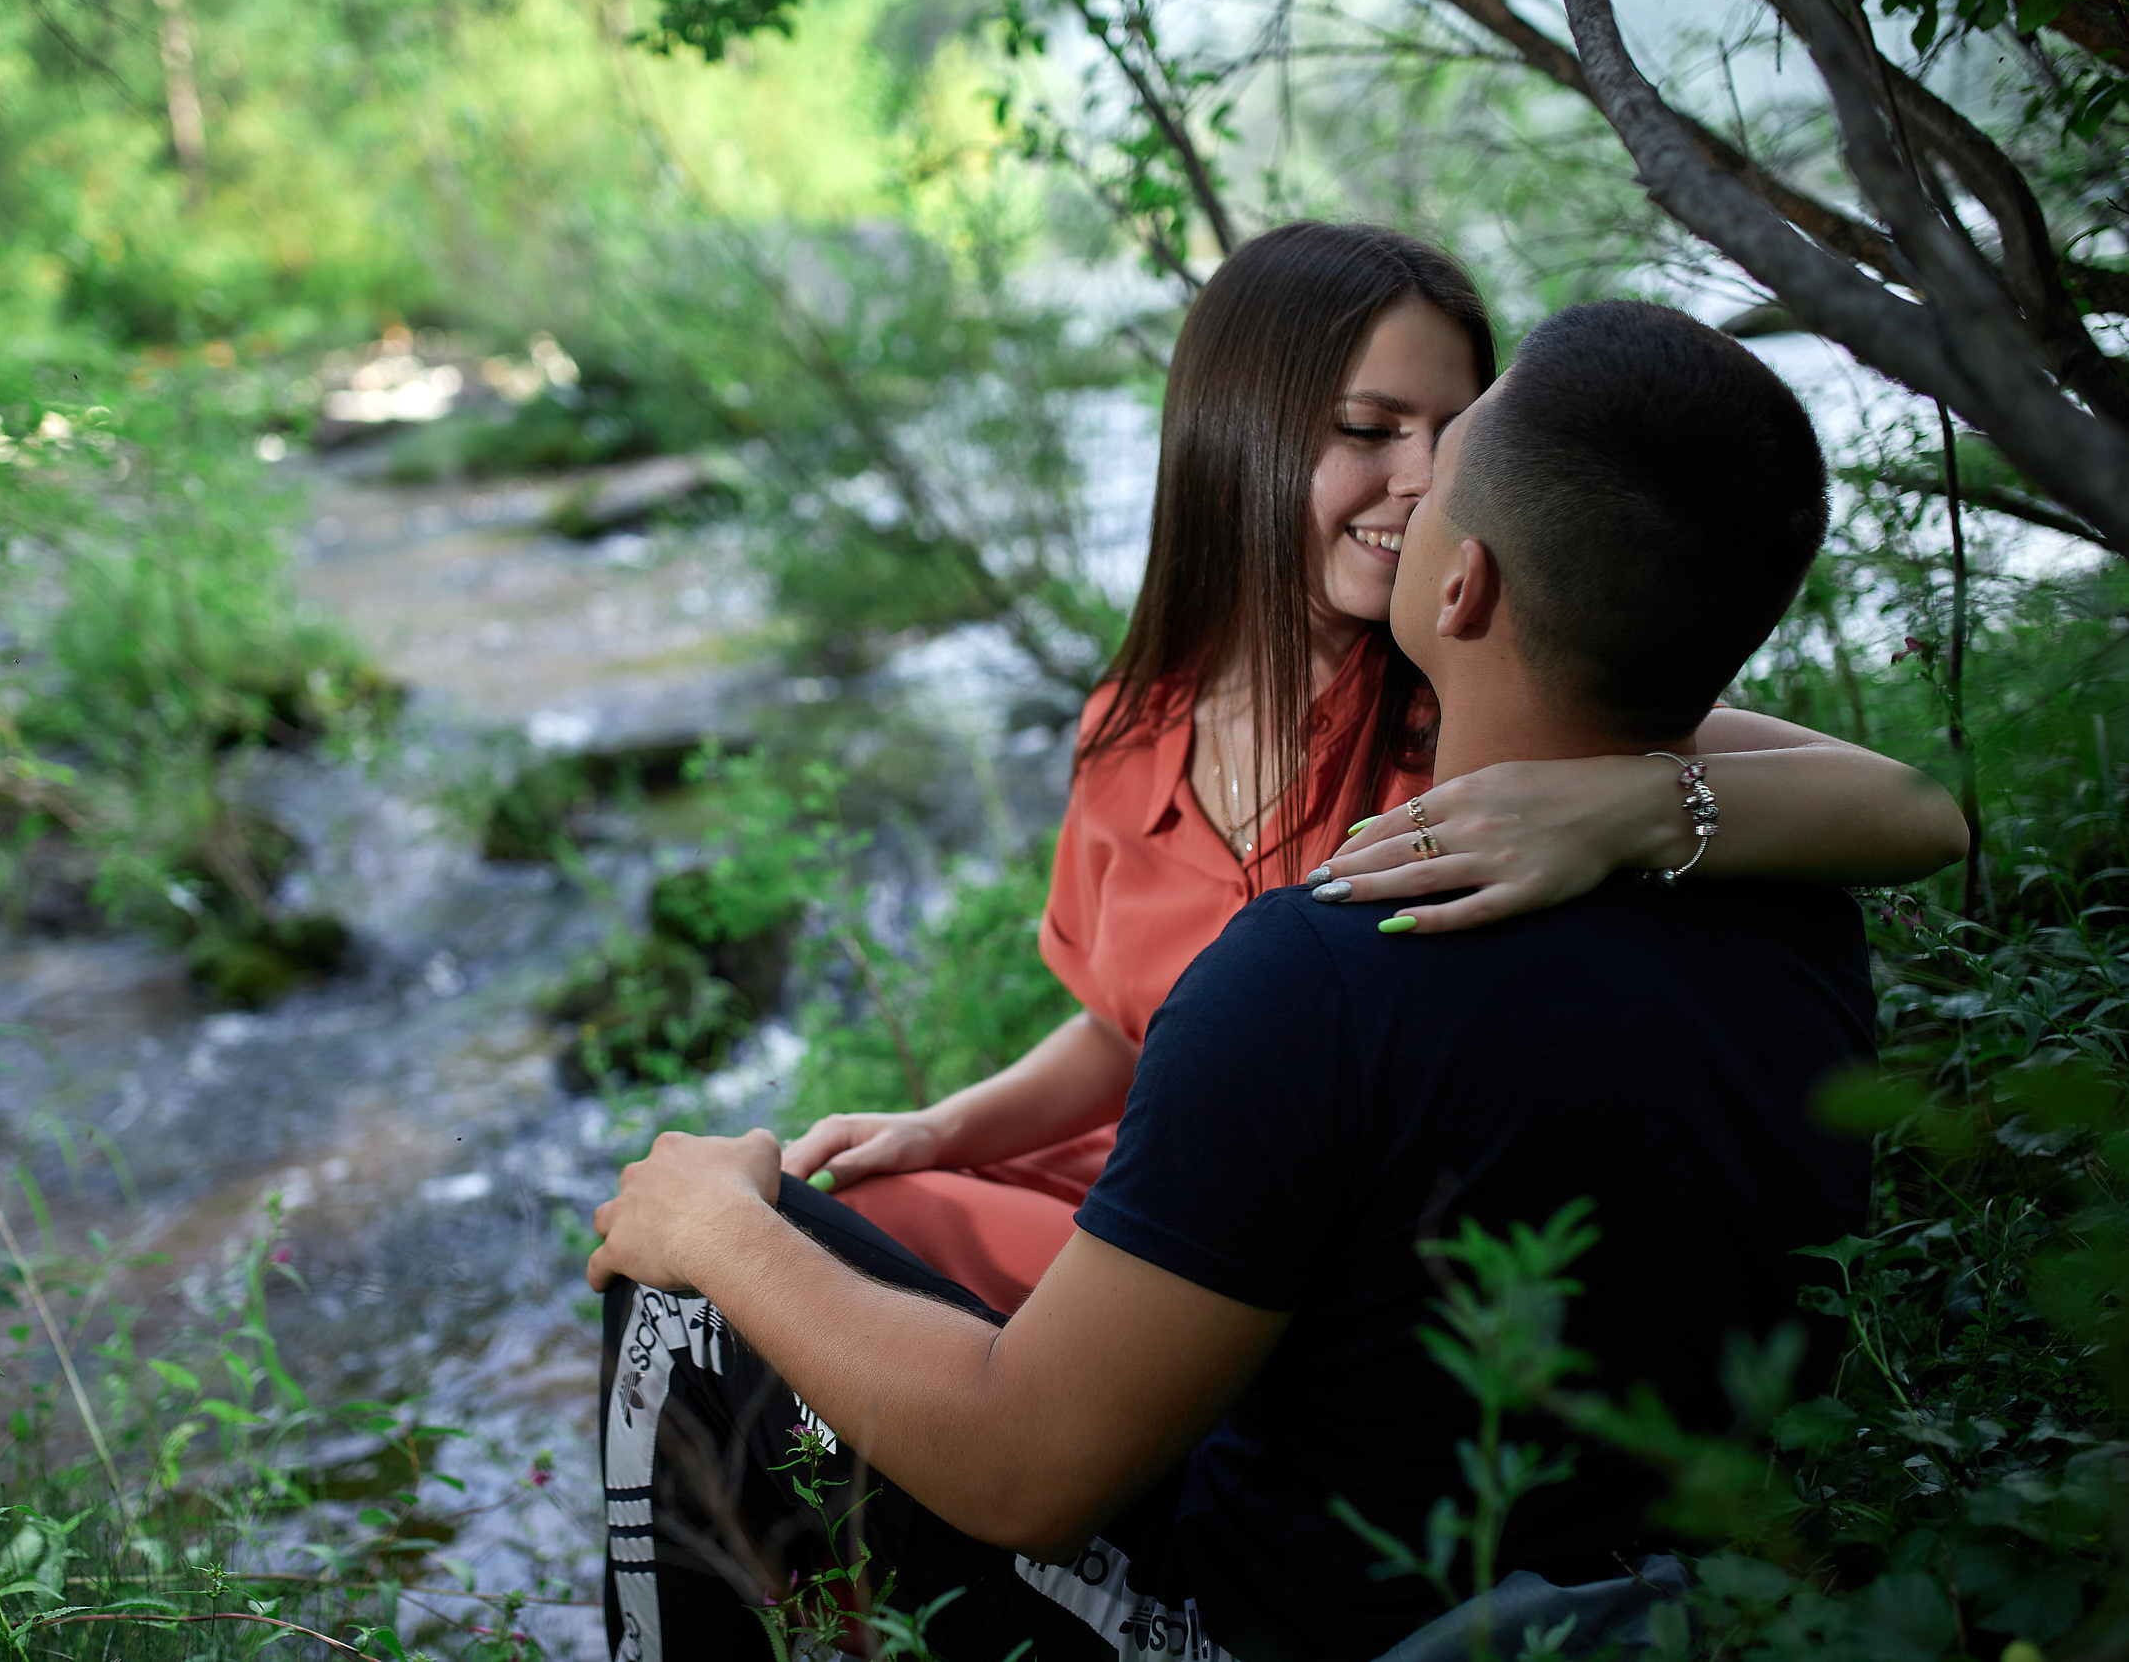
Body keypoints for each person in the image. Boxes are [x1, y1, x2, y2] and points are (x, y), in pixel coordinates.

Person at [591, 299, 1879, 1662]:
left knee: (689, 1296)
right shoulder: (1791, 892)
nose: (1405, 490)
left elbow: (1025, 1471)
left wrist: (717, 1227)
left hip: (1276, 1626)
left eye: (1440, 475)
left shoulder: (1317, 972)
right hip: (1665, 1600)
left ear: (1464, 587)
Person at [781, 224, 1962, 1316]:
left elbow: (1914, 811)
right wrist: (945, 1124)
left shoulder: (1479, 714)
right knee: (838, 1214)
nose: (1423, 477)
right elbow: (1122, 1029)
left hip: (1276, 1258)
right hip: (1132, 1187)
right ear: (1235, 433)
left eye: (1451, 436)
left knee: (819, 1251)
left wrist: (1631, 803)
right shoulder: (1131, 723)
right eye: (1368, 428)